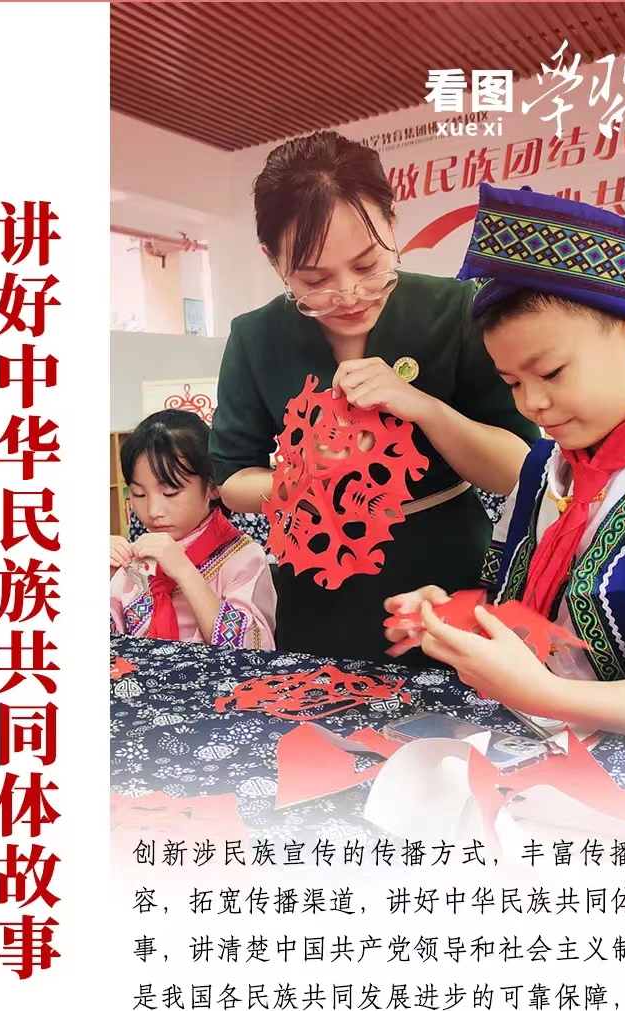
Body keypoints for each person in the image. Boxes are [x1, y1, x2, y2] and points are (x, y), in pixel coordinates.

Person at [209, 130, 539, 660]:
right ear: (274, 262)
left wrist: (424, 408)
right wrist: (315, 476)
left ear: (391, 222)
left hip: (444, 577)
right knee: (319, 702)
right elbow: (232, 480)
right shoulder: (255, 336)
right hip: (319, 579)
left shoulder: (457, 309)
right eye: (314, 279)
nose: (349, 294)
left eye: (367, 265)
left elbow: (515, 467)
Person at [385, 184, 625, 741]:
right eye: (512, 383)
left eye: (550, 373)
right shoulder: (542, 469)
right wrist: (455, 615)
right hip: (532, 742)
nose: (532, 404)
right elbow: (512, 607)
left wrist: (541, 692)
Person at [110, 410, 275, 648]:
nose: (153, 510)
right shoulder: (137, 557)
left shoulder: (244, 558)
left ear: (212, 487)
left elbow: (255, 649)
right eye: (139, 494)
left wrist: (184, 571)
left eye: (170, 493)